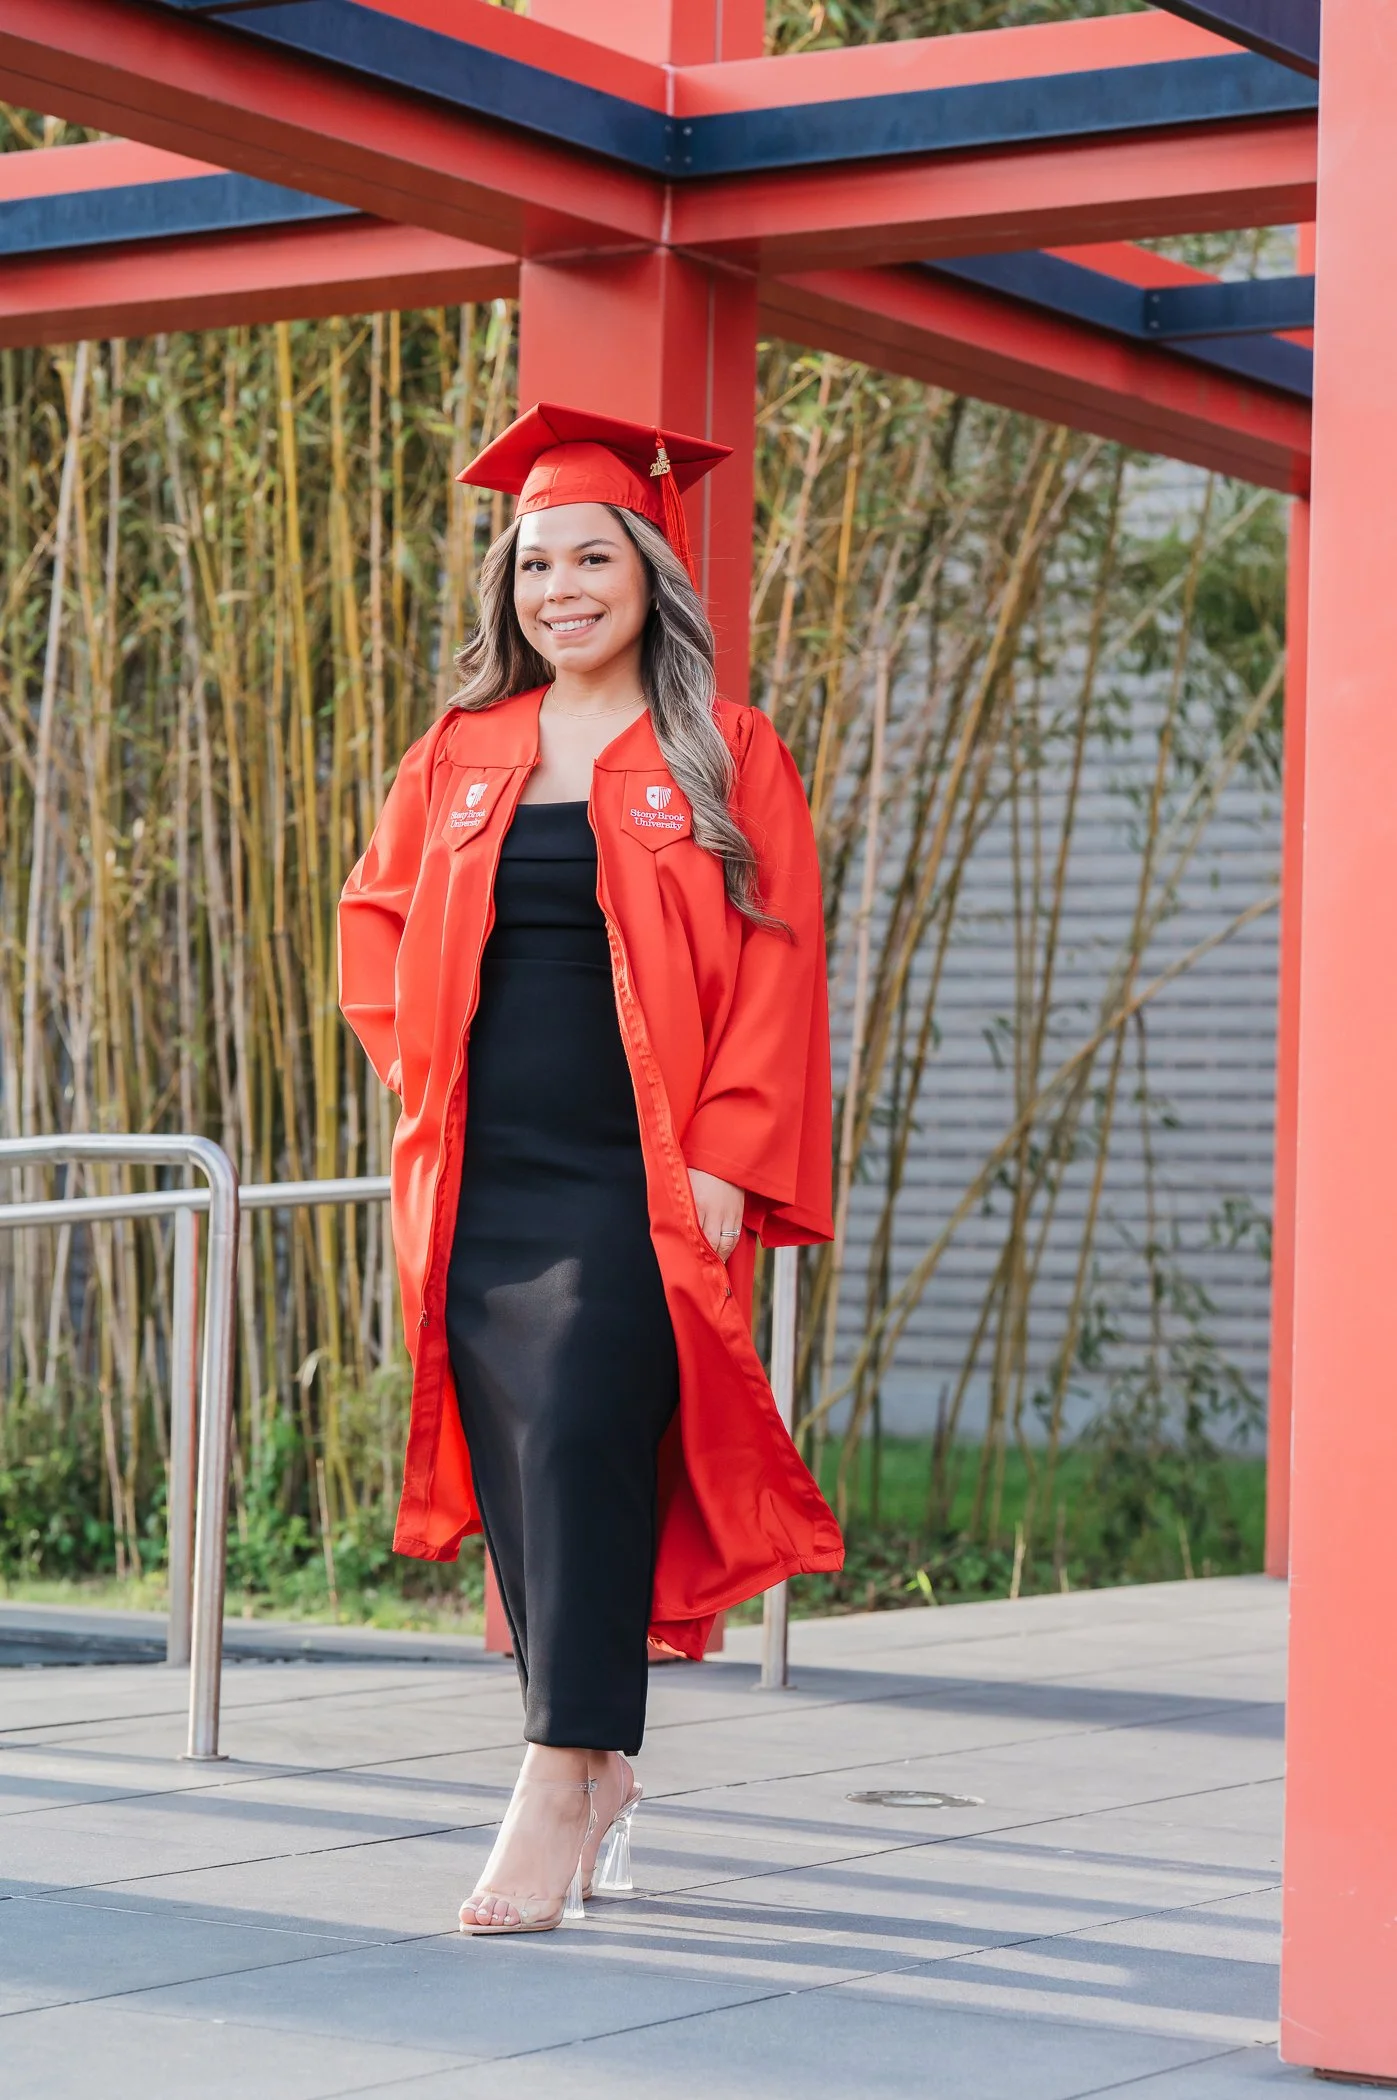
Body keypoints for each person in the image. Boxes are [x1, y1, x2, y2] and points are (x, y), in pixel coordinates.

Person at [338, 401, 842, 1937]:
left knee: (577, 1436)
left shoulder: (722, 749)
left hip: (642, 1176)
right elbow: (374, 929)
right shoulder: (460, 752)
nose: (560, 587)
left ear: (649, 572)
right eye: (533, 563)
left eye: (590, 557)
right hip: (485, 1169)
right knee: (528, 1468)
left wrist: (727, 1158)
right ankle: (602, 1758)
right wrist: (425, 1088)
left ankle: (558, 1776)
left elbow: (781, 966)